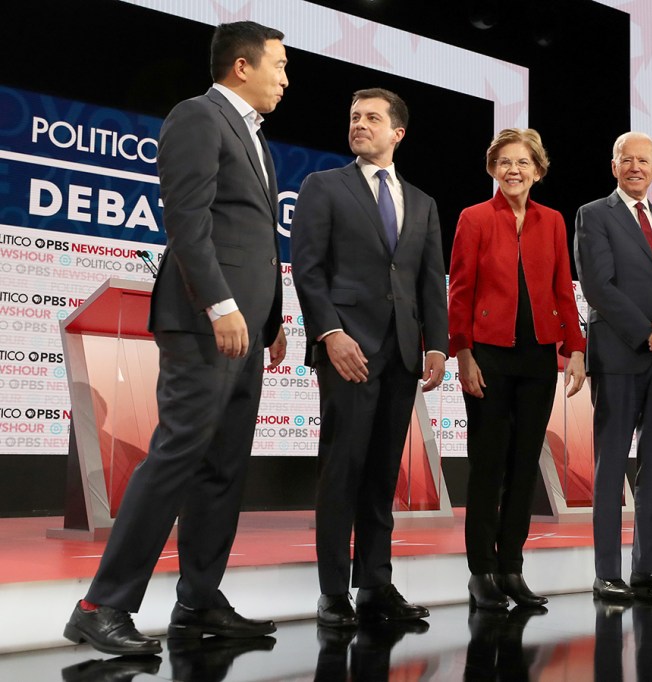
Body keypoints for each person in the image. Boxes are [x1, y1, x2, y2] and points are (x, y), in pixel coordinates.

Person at [64, 21, 289, 655]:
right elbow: (187, 222)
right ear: (242, 66)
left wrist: (270, 320)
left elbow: (253, 237)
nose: (285, 79)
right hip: (202, 320)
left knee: (224, 465)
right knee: (178, 454)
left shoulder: (254, 136)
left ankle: (198, 600)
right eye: (279, 65)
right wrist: (220, 304)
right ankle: (101, 605)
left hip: (245, 328)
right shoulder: (198, 116)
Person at [291, 88, 449, 627]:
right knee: (342, 469)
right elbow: (307, 268)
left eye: (372, 118)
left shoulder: (423, 203)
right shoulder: (323, 186)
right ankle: (333, 591)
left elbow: (429, 281)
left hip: (402, 352)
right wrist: (330, 333)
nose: (360, 124)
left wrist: (436, 344)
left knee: (383, 474)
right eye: (355, 116)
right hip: (348, 351)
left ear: (397, 133)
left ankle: (376, 585)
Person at [448, 128, 586, 610]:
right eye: (504, 162)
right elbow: (460, 290)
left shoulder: (553, 220)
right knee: (488, 465)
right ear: (492, 168)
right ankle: (481, 571)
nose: (513, 170)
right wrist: (462, 353)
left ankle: (511, 567)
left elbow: (563, 288)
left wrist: (576, 349)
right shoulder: (474, 217)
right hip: (487, 354)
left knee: (525, 465)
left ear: (538, 171)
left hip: (538, 356)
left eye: (523, 162)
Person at [574, 132, 652, 601]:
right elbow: (598, 285)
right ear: (614, 166)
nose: (635, 168)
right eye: (627, 160)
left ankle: (650, 570)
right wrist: (648, 333)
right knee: (611, 467)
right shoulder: (593, 214)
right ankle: (607, 573)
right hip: (620, 355)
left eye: (644, 161)